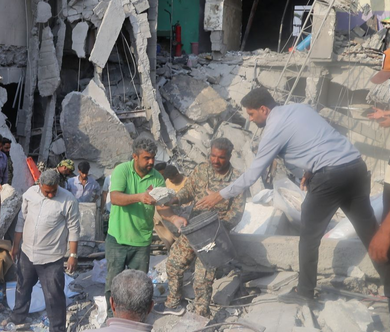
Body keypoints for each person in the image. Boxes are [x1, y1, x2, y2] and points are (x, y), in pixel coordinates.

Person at [198, 87, 384, 305]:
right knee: (371, 233)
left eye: (251, 114)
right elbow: (319, 141)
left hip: (330, 177)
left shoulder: (273, 129)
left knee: (309, 235)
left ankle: (304, 292)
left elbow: (252, 175)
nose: (251, 119)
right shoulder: (301, 109)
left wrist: (219, 195)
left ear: (264, 109)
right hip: (355, 167)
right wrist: (310, 170)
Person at [156, 138, 246, 317]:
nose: (215, 160)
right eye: (213, 155)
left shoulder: (237, 180)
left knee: (202, 278)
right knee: (174, 264)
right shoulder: (201, 170)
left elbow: (237, 213)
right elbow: (187, 191)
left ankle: (200, 314)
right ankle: (173, 302)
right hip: (193, 227)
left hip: (214, 234)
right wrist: (174, 199)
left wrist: (219, 229)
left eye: (220, 157)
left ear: (229, 156)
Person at [105, 137, 184, 312]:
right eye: (146, 158)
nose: (151, 162)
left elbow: (162, 206)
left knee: (139, 286)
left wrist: (174, 219)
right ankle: (112, 316)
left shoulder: (157, 178)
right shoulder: (122, 171)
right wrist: (139, 197)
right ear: (135, 156)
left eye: (153, 157)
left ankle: (136, 317)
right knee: (114, 282)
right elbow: (115, 198)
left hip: (141, 241)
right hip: (118, 238)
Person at [10, 169, 80, 332]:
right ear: (39, 184)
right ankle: (19, 320)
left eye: (53, 190)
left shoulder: (68, 200)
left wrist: (72, 255)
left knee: (54, 296)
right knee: (22, 287)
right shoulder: (30, 194)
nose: (50, 194)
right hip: (27, 252)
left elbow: (74, 229)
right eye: (47, 190)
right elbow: (21, 220)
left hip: (51, 257)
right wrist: (16, 245)